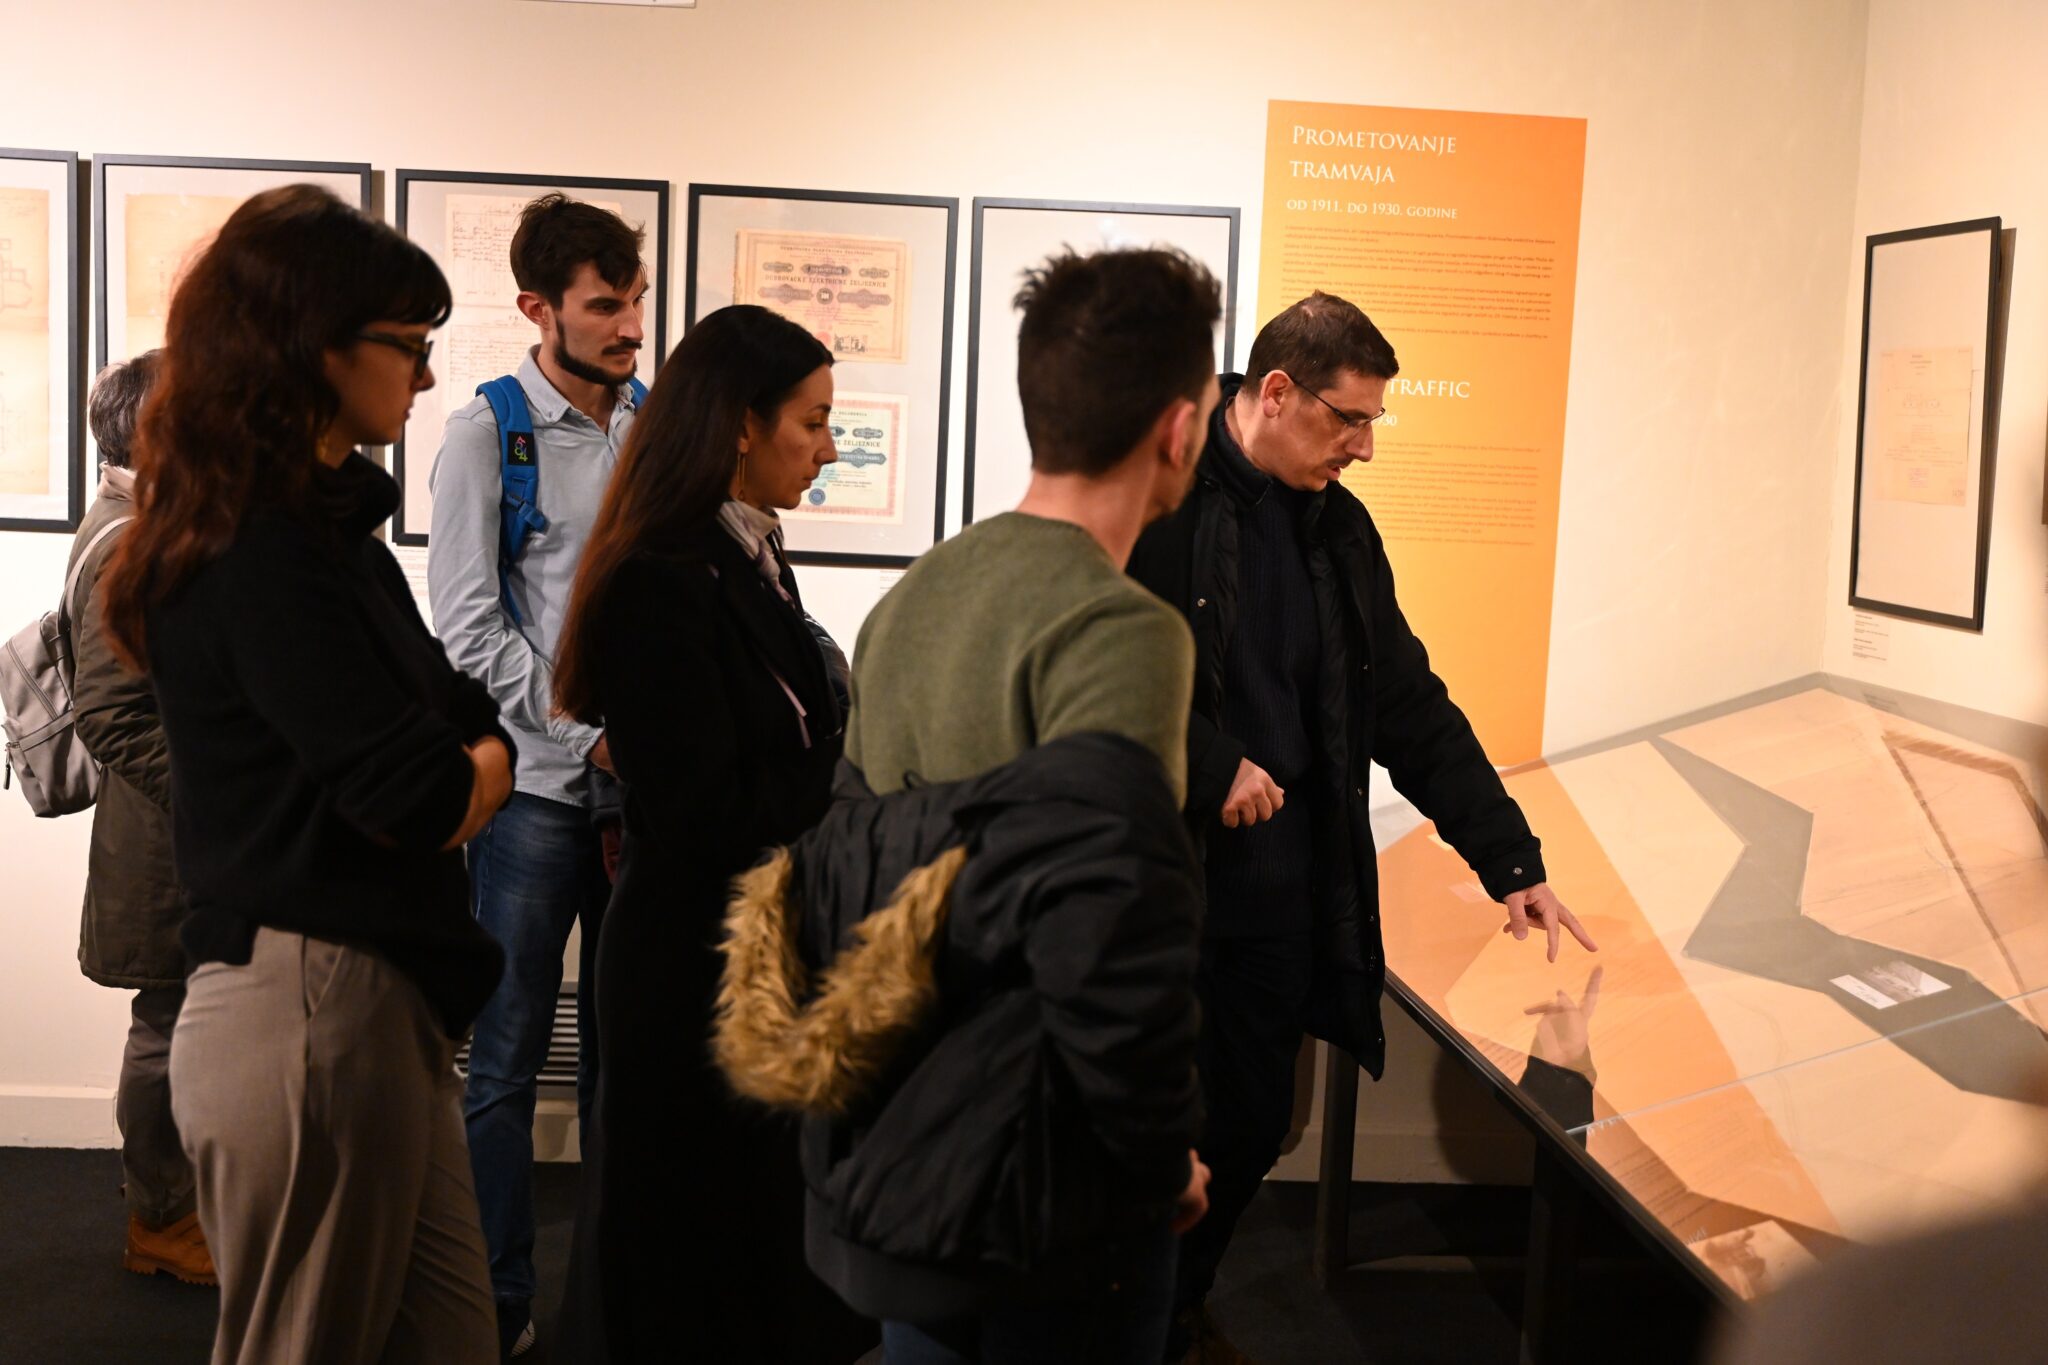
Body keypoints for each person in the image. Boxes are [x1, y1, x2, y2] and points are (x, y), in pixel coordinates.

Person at [717, 247, 1224, 1365]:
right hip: (1050, 1177)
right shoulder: (1121, 630)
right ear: (1180, 429)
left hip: (906, 1147)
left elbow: (856, 869)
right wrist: (1159, 1159)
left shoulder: (914, 598)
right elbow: (1111, 936)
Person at [1125, 290, 1598, 1364]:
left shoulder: (1338, 528)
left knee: (1251, 1128)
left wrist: (1507, 856)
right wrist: (1205, 762)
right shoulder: (1156, 499)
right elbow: (1080, 676)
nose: (1366, 448)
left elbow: (1405, 704)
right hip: (1160, 893)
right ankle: (1137, 1329)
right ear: (1275, 392)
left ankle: (1171, 1310)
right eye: (1350, 419)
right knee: (1151, 1136)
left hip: (1279, 894)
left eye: (1374, 423)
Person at [98, 183, 514, 1365]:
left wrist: (468, 747)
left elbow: (456, 717)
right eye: (408, 344)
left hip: (369, 991)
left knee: (452, 1339)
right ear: (311, 348)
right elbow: (423, 791)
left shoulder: (326, 539)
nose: (425, 377)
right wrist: (481, 759)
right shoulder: (259, 552)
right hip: (308, 999)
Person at [550, 303, 872, 1363]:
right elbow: (704, 808)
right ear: (740, 423)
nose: (829, 448)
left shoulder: (746, 554)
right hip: (691, 966)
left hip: (750, 957)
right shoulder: (659, 578)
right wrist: (851, 774)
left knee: (754, 1257)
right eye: (811, 422)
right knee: (688, 1266)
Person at [427, 191, 648, 1359]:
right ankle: (498, 1307)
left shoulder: (654, 425)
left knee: (628, 1063)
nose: (630, 327)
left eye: (636, 301)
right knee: (504, 1064)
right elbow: (467, 628)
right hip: (535, 805)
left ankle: (607, 1305)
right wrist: (584, 738)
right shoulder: (486, 435)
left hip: (641, 800)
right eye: (604, 306)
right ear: (535, 308)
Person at [65, 349, 213, 1287]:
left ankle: (172, 1202)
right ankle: (160, 1217)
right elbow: (112, 714)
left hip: (173, 834)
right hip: (165, 844)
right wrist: (222, 797)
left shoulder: (145, 527)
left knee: (181, 1022)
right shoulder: (129, 542)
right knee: (167, 1026)